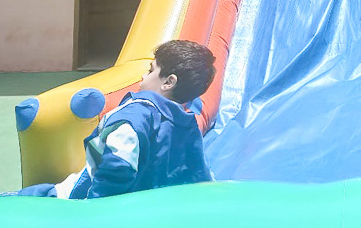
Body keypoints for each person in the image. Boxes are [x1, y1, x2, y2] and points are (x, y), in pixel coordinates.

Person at [19, 40, 216, 199]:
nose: (143, 76)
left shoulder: (135, 115)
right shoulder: (189, 126)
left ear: (168, 82)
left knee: (25, 198)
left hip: (81, 195)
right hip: (147, 209)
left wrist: (94, 210)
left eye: (150, 70)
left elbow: (118, 165)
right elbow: (200, 175)